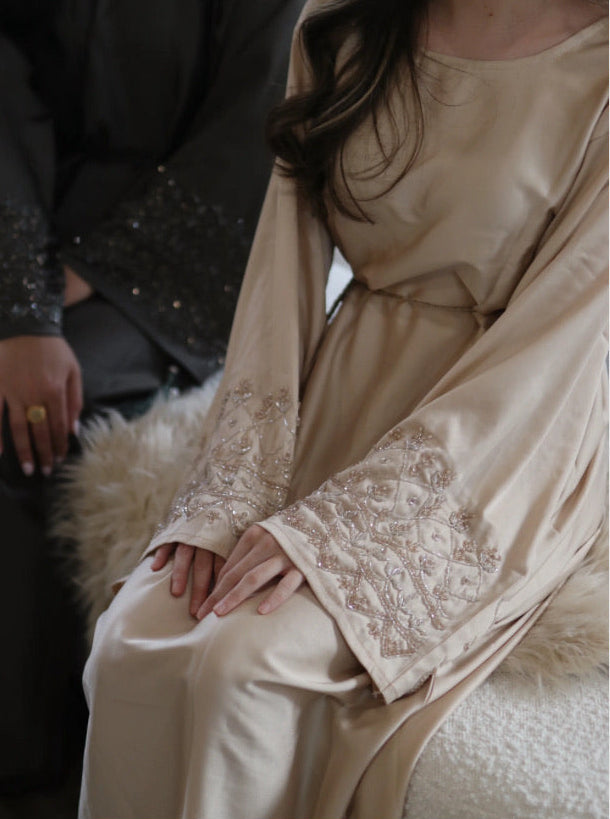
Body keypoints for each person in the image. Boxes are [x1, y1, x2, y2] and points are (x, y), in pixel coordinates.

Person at [79, 0, 608, 817]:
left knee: (241, 665)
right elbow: (280, 275)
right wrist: (227, 493)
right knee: (129, 644)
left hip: (501, 441)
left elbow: (558, 347)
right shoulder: (344, 22)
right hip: (336, 394)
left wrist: (340, 536)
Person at [0, 0, 305, 792]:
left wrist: (81, 280)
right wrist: (21, 300)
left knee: (27, 421)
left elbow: (252, 129)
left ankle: (33, 759)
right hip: (29, 226)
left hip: (172, 266)